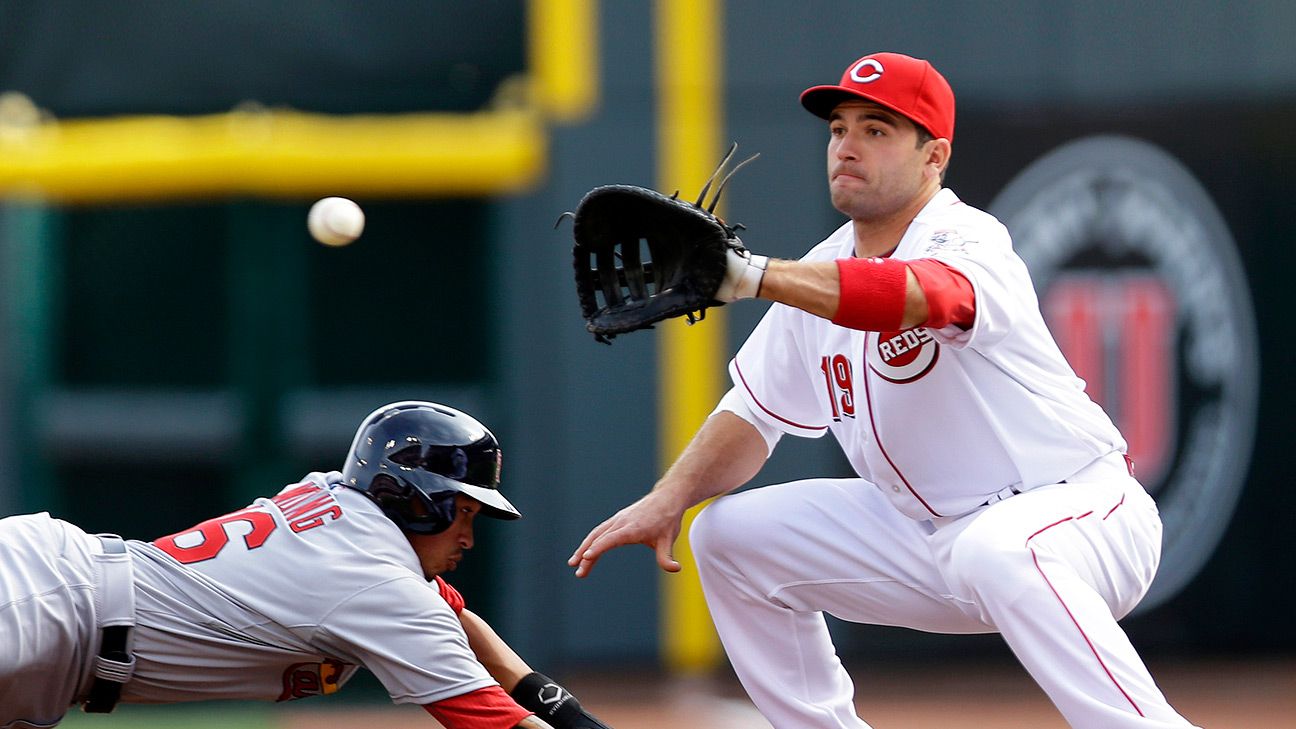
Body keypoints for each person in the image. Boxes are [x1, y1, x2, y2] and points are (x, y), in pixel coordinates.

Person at [569, 52, 1198, 729]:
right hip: (930, 536)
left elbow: (922, 296)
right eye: (839, 128)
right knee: (727, 537)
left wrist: (752, 276)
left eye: (877, 129)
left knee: (999, 547)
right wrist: (669, 498)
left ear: (935, 156)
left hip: (1078, 513)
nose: (847, 146)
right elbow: (753, 415)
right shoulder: (819, 268)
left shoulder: (968, 237)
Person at [1, 400, 612, 729]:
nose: (469, 538)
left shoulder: (336, 498)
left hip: (52, 599)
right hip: (44, 613)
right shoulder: (376, 585)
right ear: (417, 501)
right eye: (464, 513)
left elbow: (459, 621)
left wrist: (571, 716)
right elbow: (493, 725)